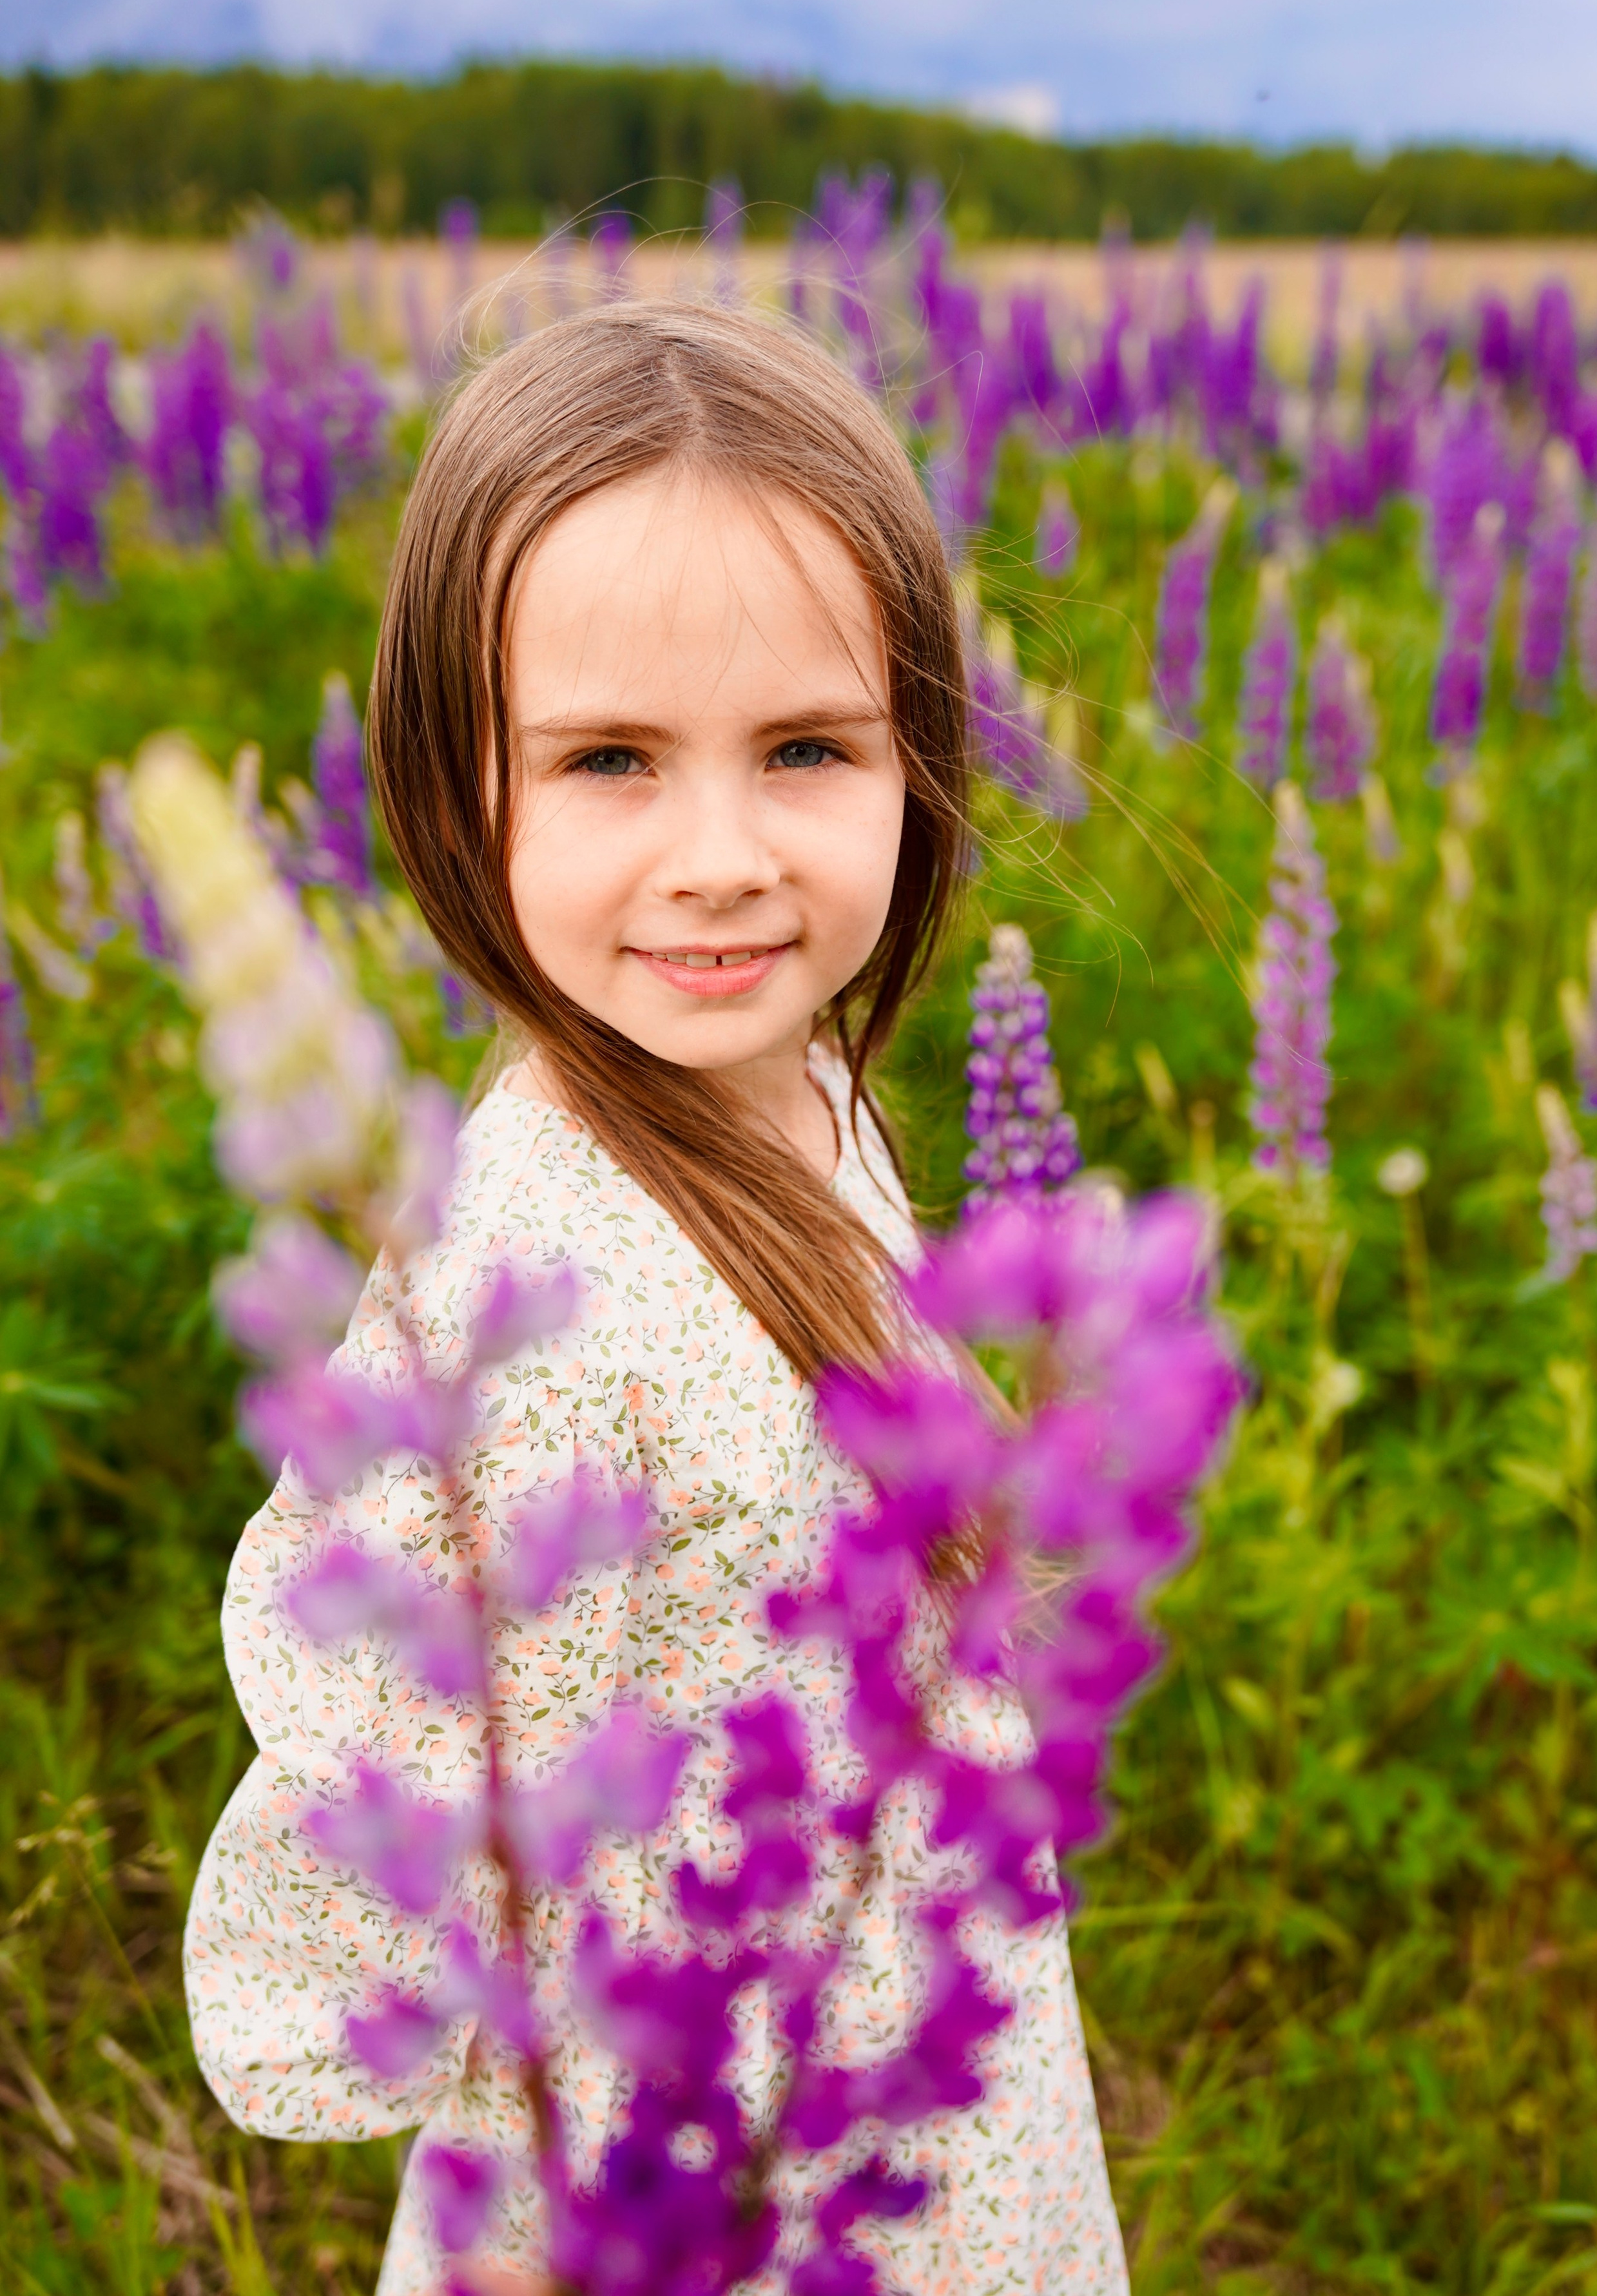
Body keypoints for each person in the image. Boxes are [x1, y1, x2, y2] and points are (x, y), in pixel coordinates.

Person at [182, 301, 1129, 2295]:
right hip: (690, 2186)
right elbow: (405, 1844)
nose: (725, 858)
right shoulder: (520, 1293)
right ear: (459, 790)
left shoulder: (801, 1097)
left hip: (917, 2099)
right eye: (612, 757)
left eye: (805, 747)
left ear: (916, 753)